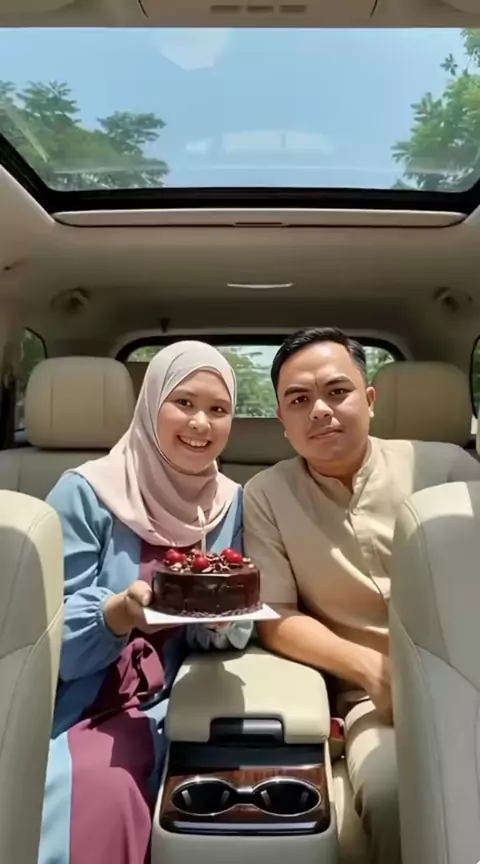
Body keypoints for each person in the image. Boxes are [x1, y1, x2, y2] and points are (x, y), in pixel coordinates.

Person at [243, 326, 480, 864]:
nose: (320, 411)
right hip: (372, 699)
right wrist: (372, 670)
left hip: (470, 676)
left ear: (369, 399)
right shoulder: (266, 496)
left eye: (337, 391)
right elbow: (275, 615)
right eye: (299, 401)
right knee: (400, 799)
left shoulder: (447, 468)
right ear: (282, 422)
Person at [39, 341, 252, 864]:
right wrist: (117, 614)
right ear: (151, 403)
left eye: (218, 409)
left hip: (185, 698)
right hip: (86, 700)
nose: (200, 423)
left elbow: (224, 618)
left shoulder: (231, 502)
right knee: (99, 790)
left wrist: (220, 625)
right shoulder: (85, 493)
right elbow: (47, 637)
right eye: (184, 402)